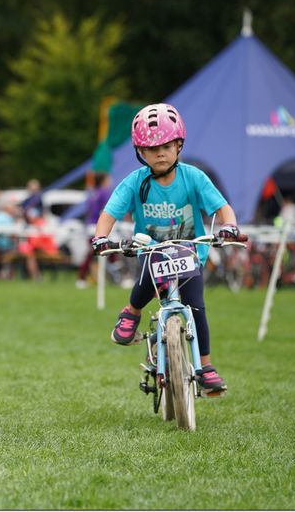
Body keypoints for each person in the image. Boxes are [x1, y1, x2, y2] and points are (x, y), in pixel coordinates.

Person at [91, 103, 241, 396]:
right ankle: (131, 311)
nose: (160, 153)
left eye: (167, 146)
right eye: (152, 148)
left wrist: (229, 226)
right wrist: (100, 237)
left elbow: (222, 208)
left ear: (179, 145)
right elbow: (110, 212)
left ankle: (205, 367)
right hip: (152, 252)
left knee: (196, 307)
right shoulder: (135, 182)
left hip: (190, 254)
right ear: (140, 152)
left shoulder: (194, 177)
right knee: (145, 284)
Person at [76, 172, 112, 289]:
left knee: (92, 254)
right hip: (98, 227)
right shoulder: (104, 192)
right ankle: (82, 278)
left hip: (90, 226)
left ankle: (82, 278)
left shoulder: (93, 193)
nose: (110, 182)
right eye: (108, 179)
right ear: (103, 181)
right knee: (108, 251)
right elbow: (106, 211)